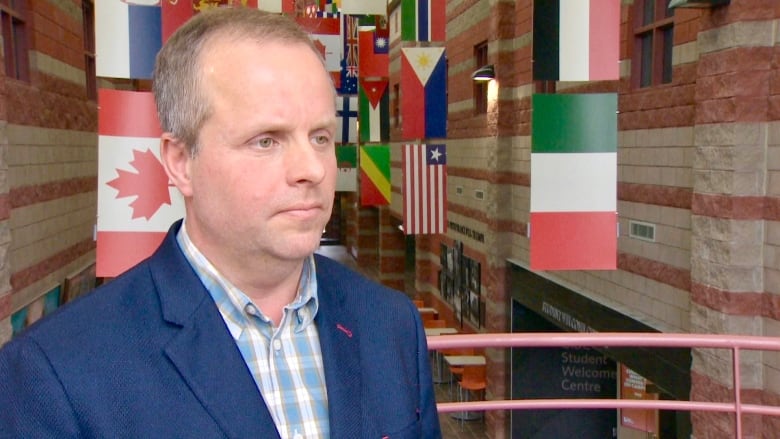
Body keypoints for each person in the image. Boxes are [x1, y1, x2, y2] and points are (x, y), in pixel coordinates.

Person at [0, 8, 441, 439]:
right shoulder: (55, 373)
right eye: (266, 140)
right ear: (180, 162)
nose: (313, 169)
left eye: (320, 137)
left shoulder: (391, 323)